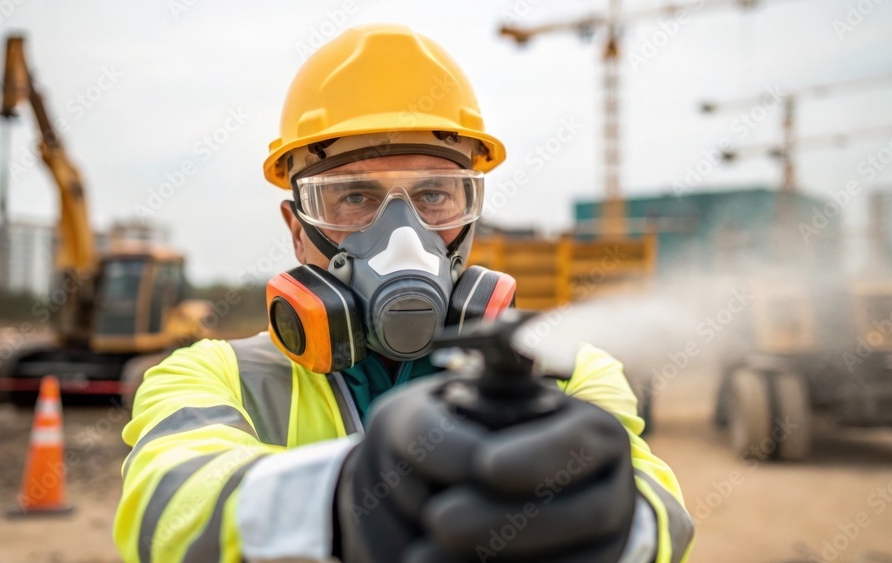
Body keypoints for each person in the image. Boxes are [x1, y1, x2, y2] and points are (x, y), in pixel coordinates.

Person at [114, 23, 694, 563]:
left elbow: (662, 514)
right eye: (354, 197)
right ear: (298, 228)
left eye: (436, 196)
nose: (404, 236)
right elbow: (165, 511)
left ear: (471, 212)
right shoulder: (211, 375)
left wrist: (611, 526)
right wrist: (341, 501)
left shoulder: (565, 372)